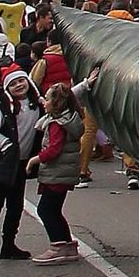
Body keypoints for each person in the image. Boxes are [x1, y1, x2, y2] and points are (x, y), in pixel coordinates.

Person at [0, 65, 43, 265]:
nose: (18, 85)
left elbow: (63, 98)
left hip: (21, 164)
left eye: (21, 80)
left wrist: (85, 84)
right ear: (7, 89)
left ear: (28, 81)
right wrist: (6, 144)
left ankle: (9, 245)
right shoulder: (4, 107)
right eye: (13, 84)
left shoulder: (36, 103)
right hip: (2, 164)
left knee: (15, 205)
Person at [31, 78, 90, 260]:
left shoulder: (57, 124)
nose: (44, 101)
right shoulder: (69, 118)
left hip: (57, 172)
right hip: (63, 172)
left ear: (56, 103)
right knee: (54, 209)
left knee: (46, 210)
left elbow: (54, 149)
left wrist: (35, 160)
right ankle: (67, 244)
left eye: (47, 99)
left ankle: (58, 246)